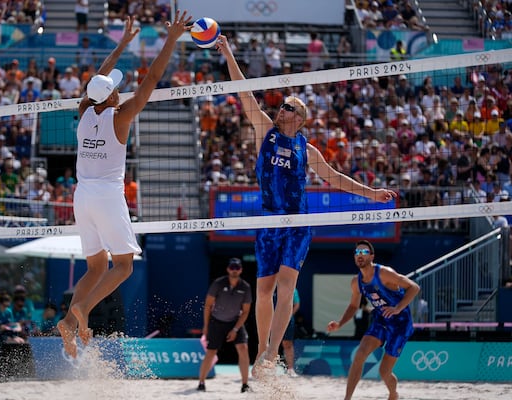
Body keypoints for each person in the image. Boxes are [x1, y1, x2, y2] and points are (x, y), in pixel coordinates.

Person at [215, 35, 397, 379]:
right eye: (282, 104)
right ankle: (261, 350)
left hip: (297, 222)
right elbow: (244, 93)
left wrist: (371, 193)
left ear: (300, 118)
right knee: (263, 289)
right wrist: (227, 52)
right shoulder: (265, 132)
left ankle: (271, 352)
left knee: (285, 286)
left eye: (289, 107)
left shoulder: (307, 149)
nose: (282, 108)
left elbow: (335, 178)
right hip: (269, 221)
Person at [57, 11, 192, 358]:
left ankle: (69, 325)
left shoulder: (86, 108)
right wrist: (172, 39)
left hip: (82, 195)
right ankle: (83, 310)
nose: (119, 90)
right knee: (125, 265)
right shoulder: (122, 115)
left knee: (96, 266)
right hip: (105, 195)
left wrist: (122, 45)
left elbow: (98, 79)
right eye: (116, 89)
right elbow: (154, 76)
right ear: (114, 97)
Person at [327, 240, 420, 400]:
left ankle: (393, 394)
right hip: (381, 320)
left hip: (400, 324)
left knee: (384, 372)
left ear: (372, 256)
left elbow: (414, 287)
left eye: (364, 252)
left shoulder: (384, 273)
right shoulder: (356, 282)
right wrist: (340, 324)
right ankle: (347, 398)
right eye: (357, 253)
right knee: (359, 355)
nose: (360, 255)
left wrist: (397, 308)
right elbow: (353, 305)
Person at [197, 258, 252, 393]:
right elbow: (208, 306)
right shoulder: (218, 283)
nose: (234, 270)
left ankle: (245, 384)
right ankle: (201, 382)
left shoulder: (245, 287)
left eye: (237, 268)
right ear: (228, 269)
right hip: (217, 321)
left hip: (235, 321)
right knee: (211, 352)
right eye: (232, 267)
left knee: (243, 348)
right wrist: (206, 325)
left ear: (241, 270)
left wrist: (235, 329)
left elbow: (245, 312)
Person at [281, 288, 300, 377]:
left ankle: (290, 369)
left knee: (287, 343)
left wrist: (288, 315)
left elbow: (296, 304)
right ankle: (268, 368)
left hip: (287, 318)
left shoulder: (292, 288)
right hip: (272, 318)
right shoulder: (270, 284)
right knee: (269, 344)